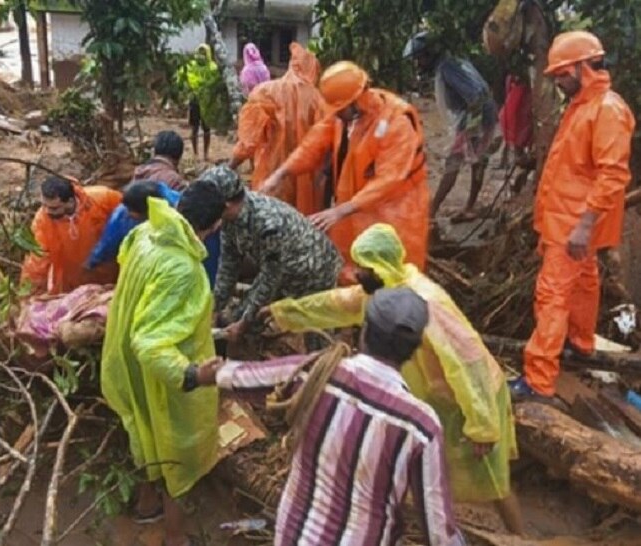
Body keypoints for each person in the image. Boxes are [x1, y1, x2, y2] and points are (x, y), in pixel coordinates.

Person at [261, 223, 524, 533]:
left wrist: (482, 425)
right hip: (440, 400)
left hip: (472, 398)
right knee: (437, 475)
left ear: (381, 266)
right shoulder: (382, 295)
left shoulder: (427, 303)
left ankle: (520, 537)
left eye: (363, 268)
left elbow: (468, 364)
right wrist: (282, 313)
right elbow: (334, 304)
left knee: (493, 479)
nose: (357, 274)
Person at [191, 287, 466, 546]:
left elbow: (249, 377)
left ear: (364, 330)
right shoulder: (420, 425)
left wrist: (201, 374)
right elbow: (439, 531)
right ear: (413, 348)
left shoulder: (317, 373)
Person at [510, 31, 635, 402]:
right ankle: (579, 344)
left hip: (574, 225)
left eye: (563, 75)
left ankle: (539, 379)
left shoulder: (606, 109)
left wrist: (583, 225)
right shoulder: (584, 105)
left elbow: (613, 174)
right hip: (567, 220)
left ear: (584, 67)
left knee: (551, 295)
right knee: (583, 282)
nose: (559, 82)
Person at [100, 182, 225, 546]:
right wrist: (192, 373)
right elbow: (151, 343)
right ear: (215, 224)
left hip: (127, 362)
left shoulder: (145, 233)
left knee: (144, 432)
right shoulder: (183, 267)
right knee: (178, 454)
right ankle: (175, 537)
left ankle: (145, 503)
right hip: (164, 374)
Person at [261, 61, 429, 279]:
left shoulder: (397, 122)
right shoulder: (345, 116)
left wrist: (339, 211)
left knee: (393, 269)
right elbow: (314, 144)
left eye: (340, 110)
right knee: (349, 263)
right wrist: (280, 173)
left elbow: (388, 179)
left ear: (356, 100)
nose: (336, 115)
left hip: (395, 209)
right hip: (353, 203)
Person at [201, 165, 342, 342]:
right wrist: (216, 306)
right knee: (242, 318)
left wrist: (244, 323)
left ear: (226, 203)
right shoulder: (230, 219)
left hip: (315, 271)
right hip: (282, 270)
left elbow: (269, 279)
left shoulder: (267, 224)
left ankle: (325, 363)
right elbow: (229, 263)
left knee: (316, 334)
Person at [404, 30, 500, 220]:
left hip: (475, 118)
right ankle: (469, 206)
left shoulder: (448, 67)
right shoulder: (454, 61)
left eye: (419, 58)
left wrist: (469, 131)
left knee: (453, 163)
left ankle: (432, 210)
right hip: (480, 116)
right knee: (478, 161)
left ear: (429, 54)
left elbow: (476, 96)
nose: (418, 64)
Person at [230, 43, 326, 215]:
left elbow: (248, 142)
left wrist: (229, 167)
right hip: (307, 184)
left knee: (270, 225)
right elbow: (326, 148)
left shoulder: (265, 92)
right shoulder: (319, 100)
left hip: (271, 176)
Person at [87, 180, 221, 287]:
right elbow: (108, 243)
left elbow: (209, 258)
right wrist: (93, 262)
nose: (128, 214)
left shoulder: (191, 212)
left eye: (132, 214)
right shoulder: (125, 216)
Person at [21, 176, 121, 295]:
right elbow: (37, 260)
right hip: (72, 282)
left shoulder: (103, 199)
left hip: (111, 272)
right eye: (44, 205)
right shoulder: (43, 221)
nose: (47, 211)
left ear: (70, 201)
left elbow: (131, 215)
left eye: (54, 208)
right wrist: (29, 293)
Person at [180, 44, 226, 161]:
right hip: (197, 101)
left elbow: (217, 83)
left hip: (206, 102)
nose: (201, 56)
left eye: (203, 53)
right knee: (196, 128)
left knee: (205, 129)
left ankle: (204, 154)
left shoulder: (211, 67)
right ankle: (197, 154)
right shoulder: (193, 66)